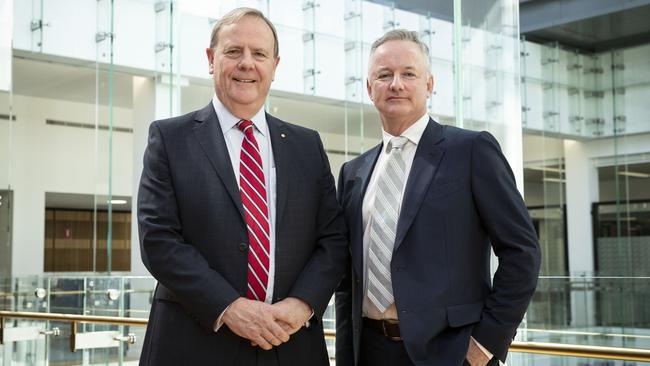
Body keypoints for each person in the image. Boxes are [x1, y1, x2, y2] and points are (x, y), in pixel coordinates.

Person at [137, 7, 347, 366]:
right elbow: (158, 240)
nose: (247, 63)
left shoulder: (306, 146)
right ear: (211, 59)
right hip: (194, 343)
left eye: (259, 53)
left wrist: (301, 305)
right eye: (234, 51)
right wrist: (230, 307)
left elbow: (333, 240)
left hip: (290, 342)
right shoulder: (170, 138)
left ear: (274, 66)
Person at [335, 29, 541, 366]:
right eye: (384, 75)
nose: (396, 84)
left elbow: (523, 252)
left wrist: (485, 344)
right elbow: (347, 280)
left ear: (429, 85)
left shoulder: (472, 150)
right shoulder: (353, 172)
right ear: (369, 88)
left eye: (409, 74)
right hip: (369, 352)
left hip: (451, 353)